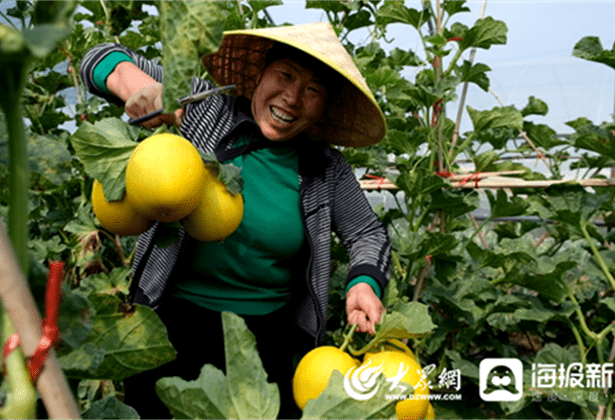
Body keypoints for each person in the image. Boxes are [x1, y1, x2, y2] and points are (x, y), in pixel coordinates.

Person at [80, 22, 391, 419]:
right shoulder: (204, 107)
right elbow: (99, 59)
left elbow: (367, 232)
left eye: (312, 90)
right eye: (285, 75)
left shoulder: (324, 168)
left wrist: (364, 282)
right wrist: (137, 87)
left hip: (269, 342)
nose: (292, 98)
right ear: (259, 75)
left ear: (322, 109)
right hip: (170, 325)